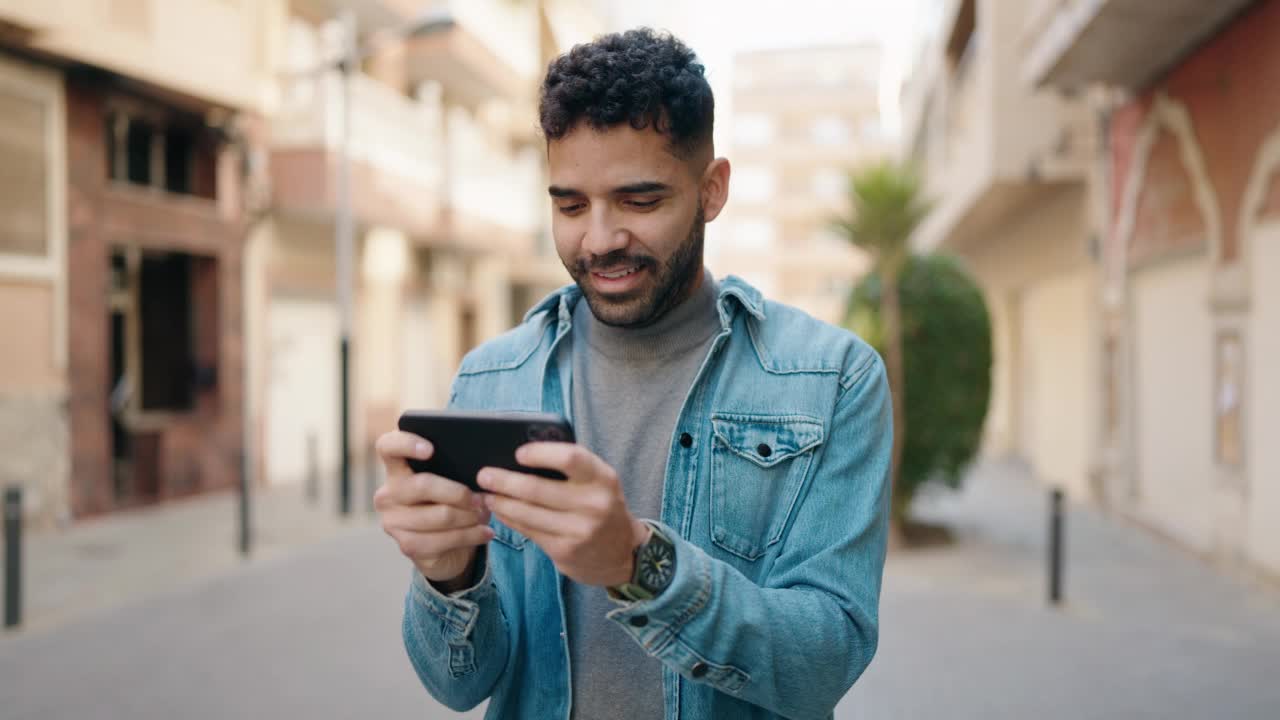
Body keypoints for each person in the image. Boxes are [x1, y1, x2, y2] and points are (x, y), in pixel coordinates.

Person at [374, 28, 892, 720]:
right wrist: (447, 576)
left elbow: (823, 663)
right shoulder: (491, 377)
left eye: (639, 201)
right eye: (570, 205)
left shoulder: (834, 380)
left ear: (712, 190)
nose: (598, 239)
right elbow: (460, 685)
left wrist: (639, 564)